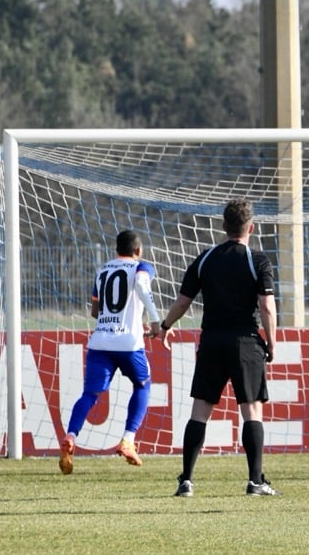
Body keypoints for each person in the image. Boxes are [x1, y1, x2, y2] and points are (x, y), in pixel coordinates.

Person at [159, 199, 280, 497]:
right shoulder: (257, 260)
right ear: (251, 228)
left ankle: (186, 481)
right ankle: (255, 482)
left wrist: (165, 325)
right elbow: (267, 306)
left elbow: (183, 301)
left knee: (200, 410)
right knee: (251, 411)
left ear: (224, 226)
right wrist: (272, 342)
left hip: (211, 341)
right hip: (245, 342)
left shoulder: (206, 258)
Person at [58, 230, 163, 474]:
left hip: (100, 343)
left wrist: (128, 318)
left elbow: (96, 311)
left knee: (89, 394)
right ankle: (128, 440)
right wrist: (155, 320)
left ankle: (71, 435)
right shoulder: (142, 266)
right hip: (128, 344)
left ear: (116, 250)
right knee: (143, 385)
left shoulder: (103, 270)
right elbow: (141, 285)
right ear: (138, 250)